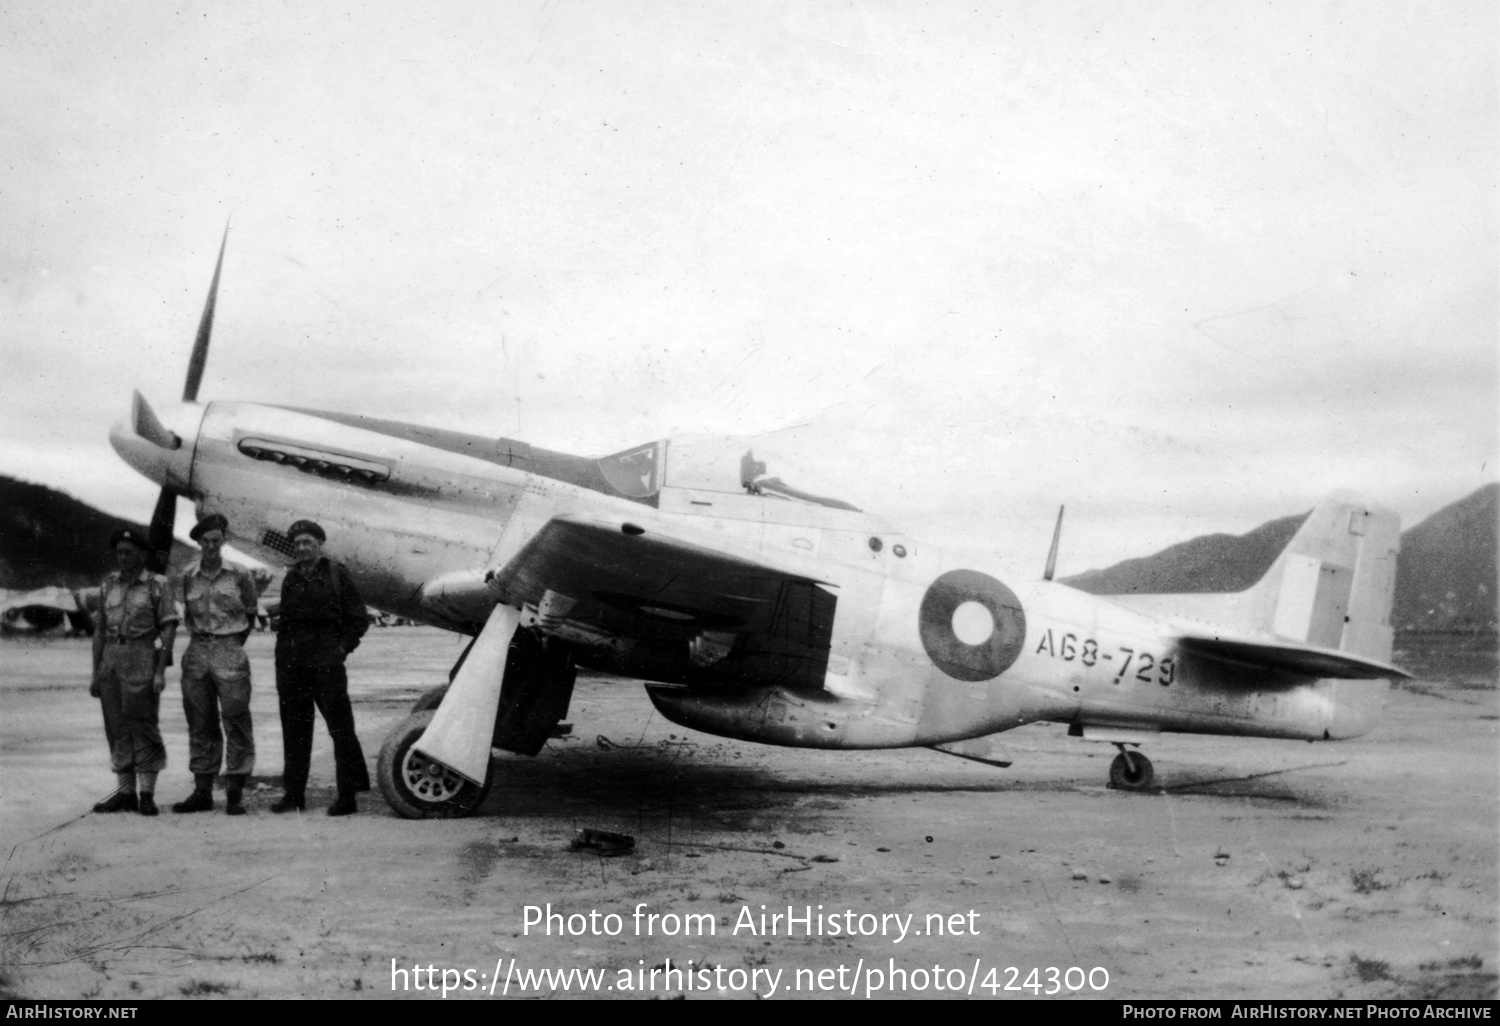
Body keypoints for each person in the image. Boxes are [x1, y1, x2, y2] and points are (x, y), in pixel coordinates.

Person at [272, 519, 370, 816]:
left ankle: (348, 796)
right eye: (298, 543)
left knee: (341, 730)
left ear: (319, 545)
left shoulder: (337, 574)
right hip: (293, 664)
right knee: (294, 730)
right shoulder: (291, 578)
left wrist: (340, 650)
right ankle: (294, 793)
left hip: (326, 663)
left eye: (308, 543)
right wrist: (282, 662)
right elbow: (285, 623)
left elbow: (359, 620)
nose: (302, 548)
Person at [172, 513, 260, 816]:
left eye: (216, 540)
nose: (211, 545)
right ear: (198, 542)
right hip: (197, 650)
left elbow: (249, 613)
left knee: (236, 719)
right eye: (205, 541)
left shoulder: (240, 574)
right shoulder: (187, 576)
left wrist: (231, 644)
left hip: (229, 648)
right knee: (200, 722)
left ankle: (235, 790)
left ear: (222, 541)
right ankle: (202, 791)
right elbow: (187, 615)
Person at [91, 527, 178, 816]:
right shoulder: (108, 585)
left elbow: (168, 626)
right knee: (116, 728)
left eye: (129, 552)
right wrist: (96, 672)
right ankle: (125, 792)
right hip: (112, 660)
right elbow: (100, 630)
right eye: (119, 552)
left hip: (142, 654)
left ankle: (147, 794)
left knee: (144, 725)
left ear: (142, 554)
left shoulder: (157, 585)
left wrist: (161, 670)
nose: (123, 557)